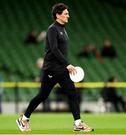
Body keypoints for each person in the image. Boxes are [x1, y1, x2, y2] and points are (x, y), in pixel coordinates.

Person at [16, 3, 94, 132]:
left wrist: (65, 65)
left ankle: (77, 123)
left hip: (60, 69)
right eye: (65, 13)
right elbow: (54, 49)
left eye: (68, 13)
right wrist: (67, 64)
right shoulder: (53, 29)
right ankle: (23, 119)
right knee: (43, 95)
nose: (68, 15)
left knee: (70, 93)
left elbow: (60, 51)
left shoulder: (63, 29)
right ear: (58, 15)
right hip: (52, 69)